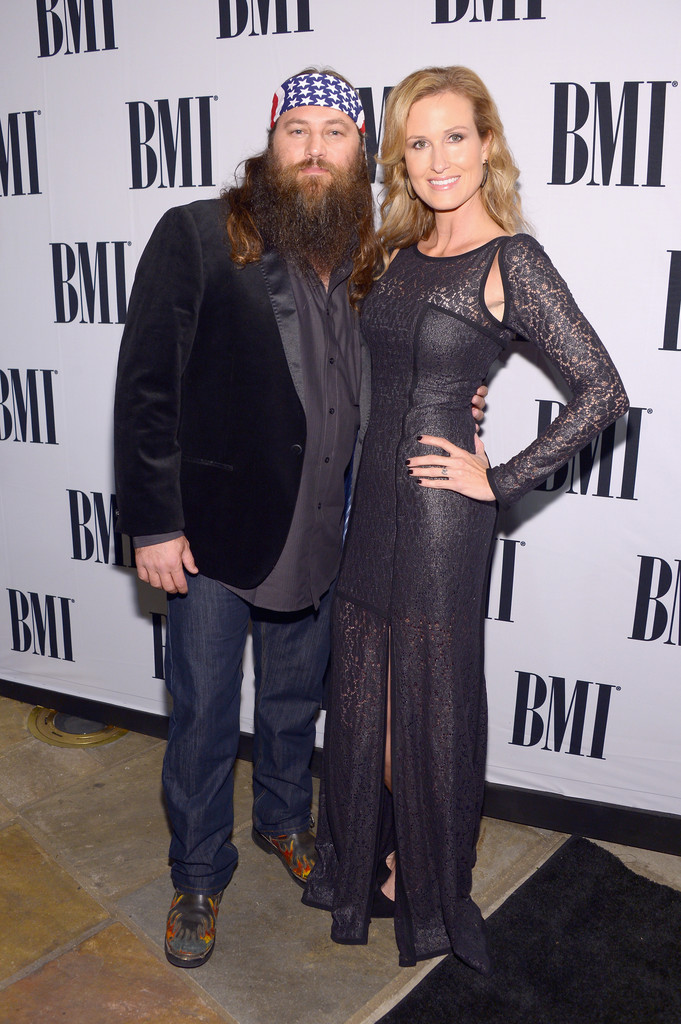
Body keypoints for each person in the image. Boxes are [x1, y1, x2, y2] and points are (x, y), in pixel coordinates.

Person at [114, 68, 487, 969]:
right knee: (203, 717)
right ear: (272, 140)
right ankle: (197, 873)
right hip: (212, 537)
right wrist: (153, 524)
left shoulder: (372, 257)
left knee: (292, 704)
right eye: (298, 130)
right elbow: (147, 389)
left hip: (330, 534)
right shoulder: (199, 234)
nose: (315, 148)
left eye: (335, 132)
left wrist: (455, 401)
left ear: (361, 151)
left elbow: (403, 366)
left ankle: (284, 820)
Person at [302, 66, 629, 976]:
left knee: (432, 709)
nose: (437, 159)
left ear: (487, 145)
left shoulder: (511, 260)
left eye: (453, 136)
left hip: (442, 520)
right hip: (371, 508)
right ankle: (375, 862)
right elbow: (373, 370)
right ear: (399, 159)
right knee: (367, 705)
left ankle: (431, 882)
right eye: (417, 142)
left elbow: (602, 391)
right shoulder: (394, 253)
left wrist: (501, 477)